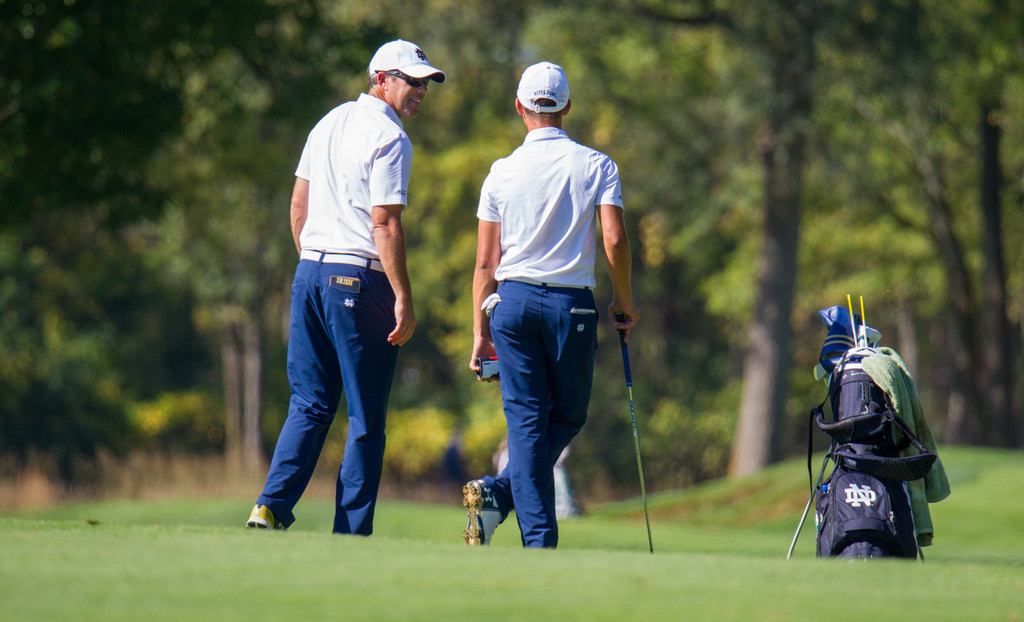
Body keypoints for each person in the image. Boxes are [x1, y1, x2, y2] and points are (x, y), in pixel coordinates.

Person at [246, 39, 445, 534]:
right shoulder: (393, 139)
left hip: (310, 271)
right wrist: (403, 296)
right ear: (381, 79)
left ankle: (269, 507)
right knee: (365, 416)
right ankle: (350, 533)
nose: (421, 90)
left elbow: (298, 207)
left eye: (425, 83)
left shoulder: (329, 122)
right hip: (359, 276)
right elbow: (385, 225)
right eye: (411, 81)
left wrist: (316, 265)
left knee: (310, 403)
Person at [463, 61, 638, 548]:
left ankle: (499, 494)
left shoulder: (500, 171)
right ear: (567, 107)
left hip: (511, 305)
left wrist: (480, 331)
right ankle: (537, 540)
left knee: (526, 420)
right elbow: (615, 239)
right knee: (568, 414)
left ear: (519, 107)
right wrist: (623, 300)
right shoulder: (597, 164)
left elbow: (484, 263)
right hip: (572, 307)